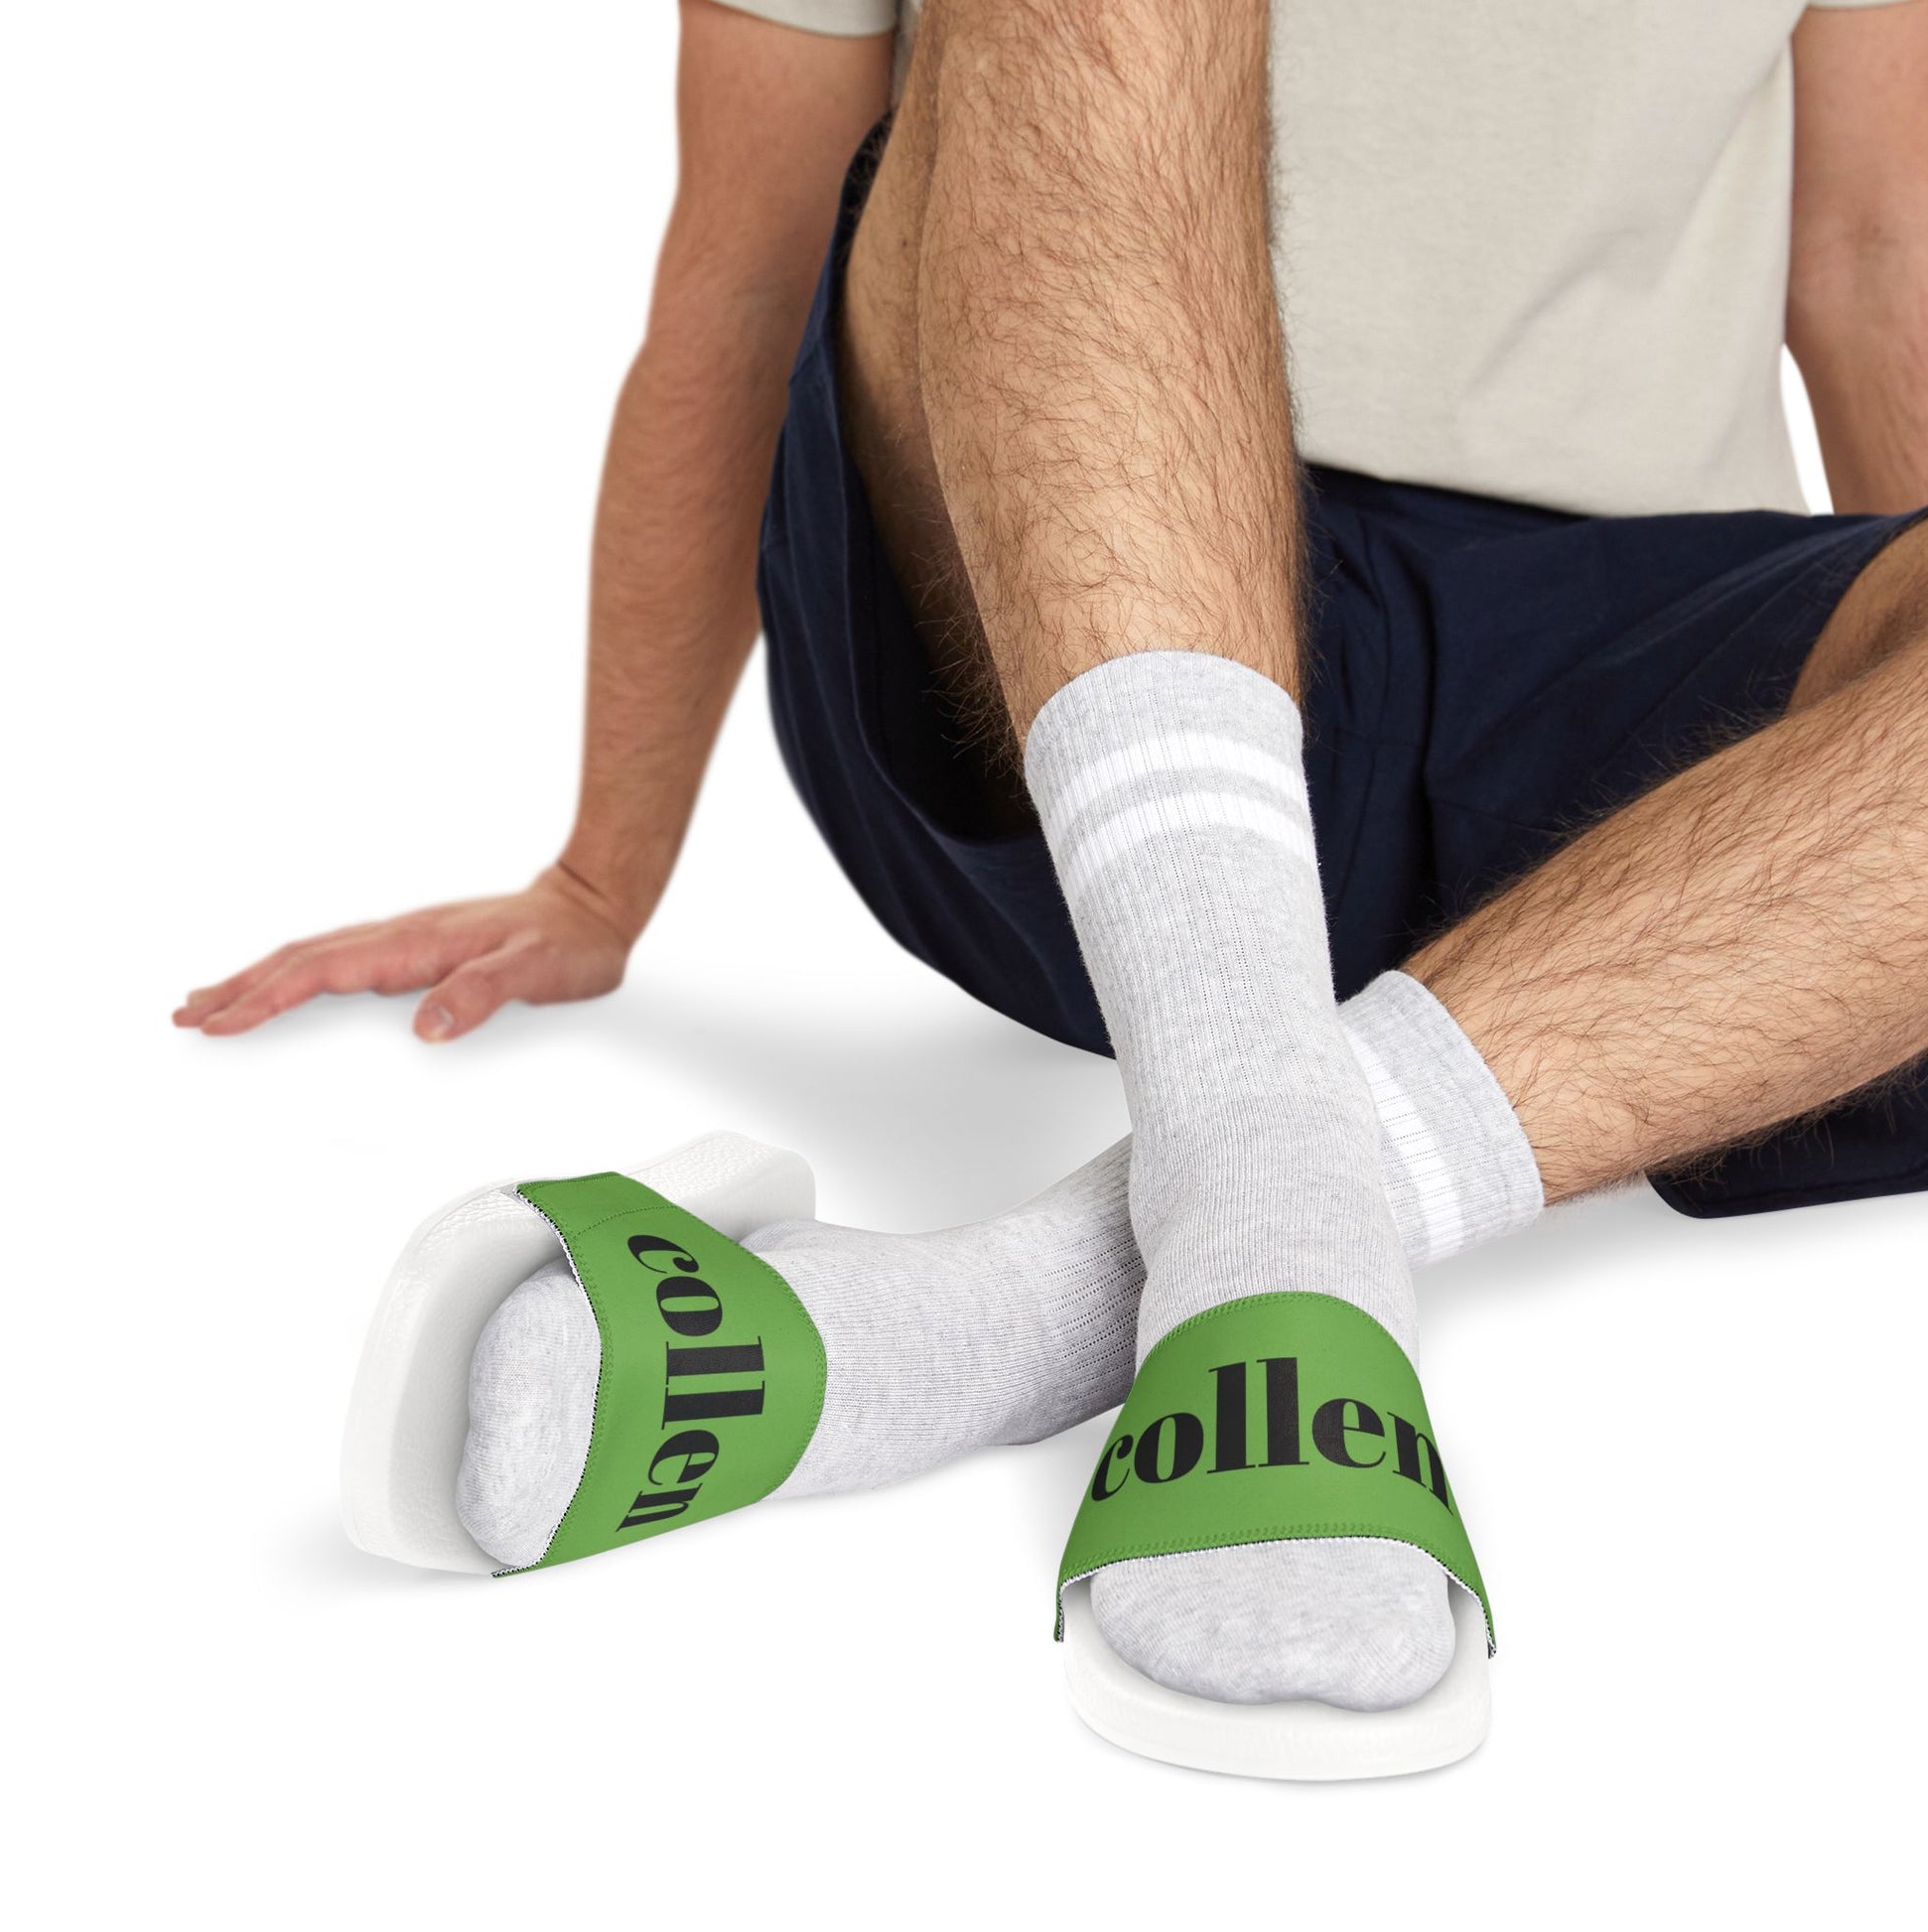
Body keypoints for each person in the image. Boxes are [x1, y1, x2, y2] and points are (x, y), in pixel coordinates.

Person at [179, 1, 1928, 1719]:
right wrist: (599, 872)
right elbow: (743, 268)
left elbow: (1869, 255)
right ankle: (1263, 1236)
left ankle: (978, 1320)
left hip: (1645, 714)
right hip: (1061, 576)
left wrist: (1870, 777)